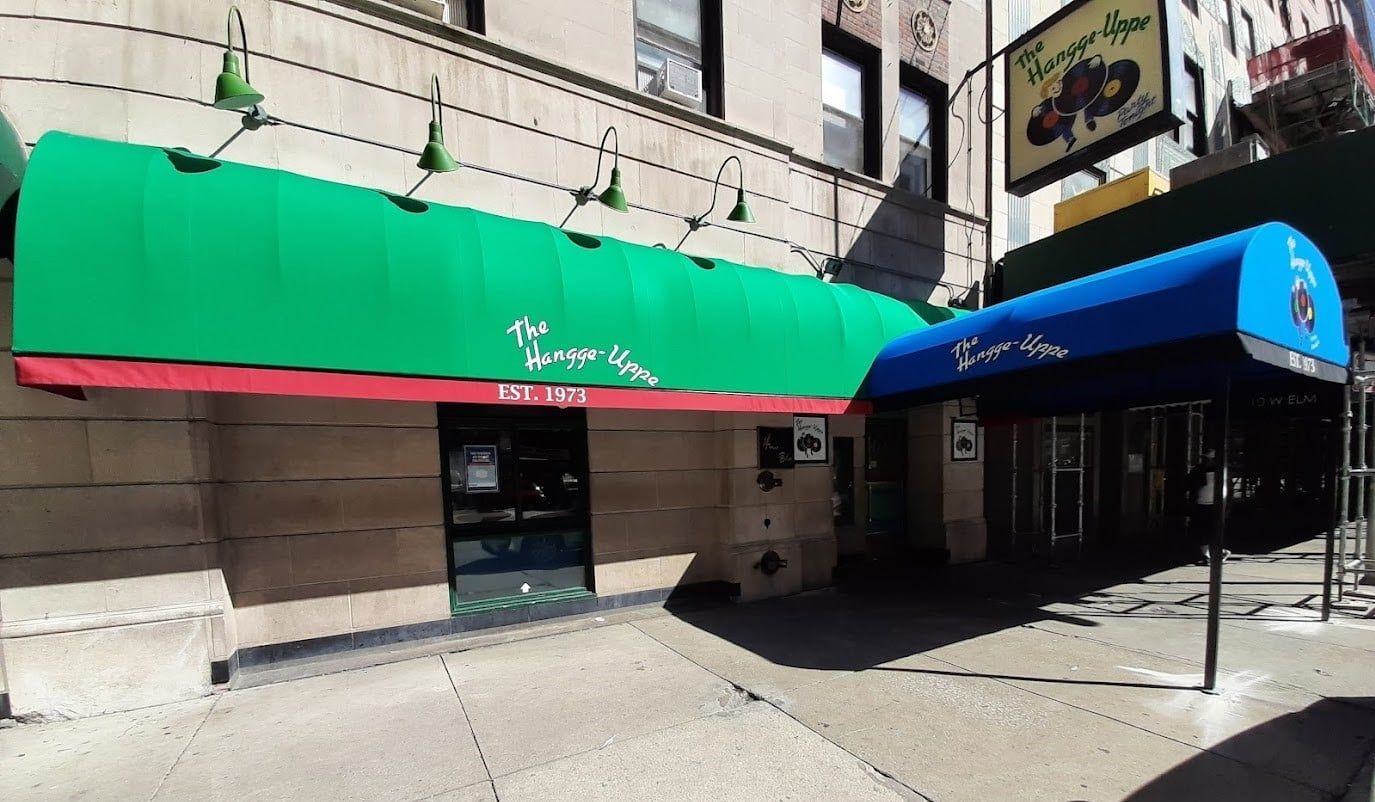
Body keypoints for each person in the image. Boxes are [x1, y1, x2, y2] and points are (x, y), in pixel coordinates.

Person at [1186, 449, 1231, 565]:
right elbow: (1190, 484)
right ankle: (1208, 555)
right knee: (1202, 531)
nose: (1206, 462)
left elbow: (1228, 489)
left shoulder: (1220, 471)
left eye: (1208, 459)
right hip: (1201, 504)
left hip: (1213, 505)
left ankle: (1217, 552)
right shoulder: (1198, 470)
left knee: (1212, 530)